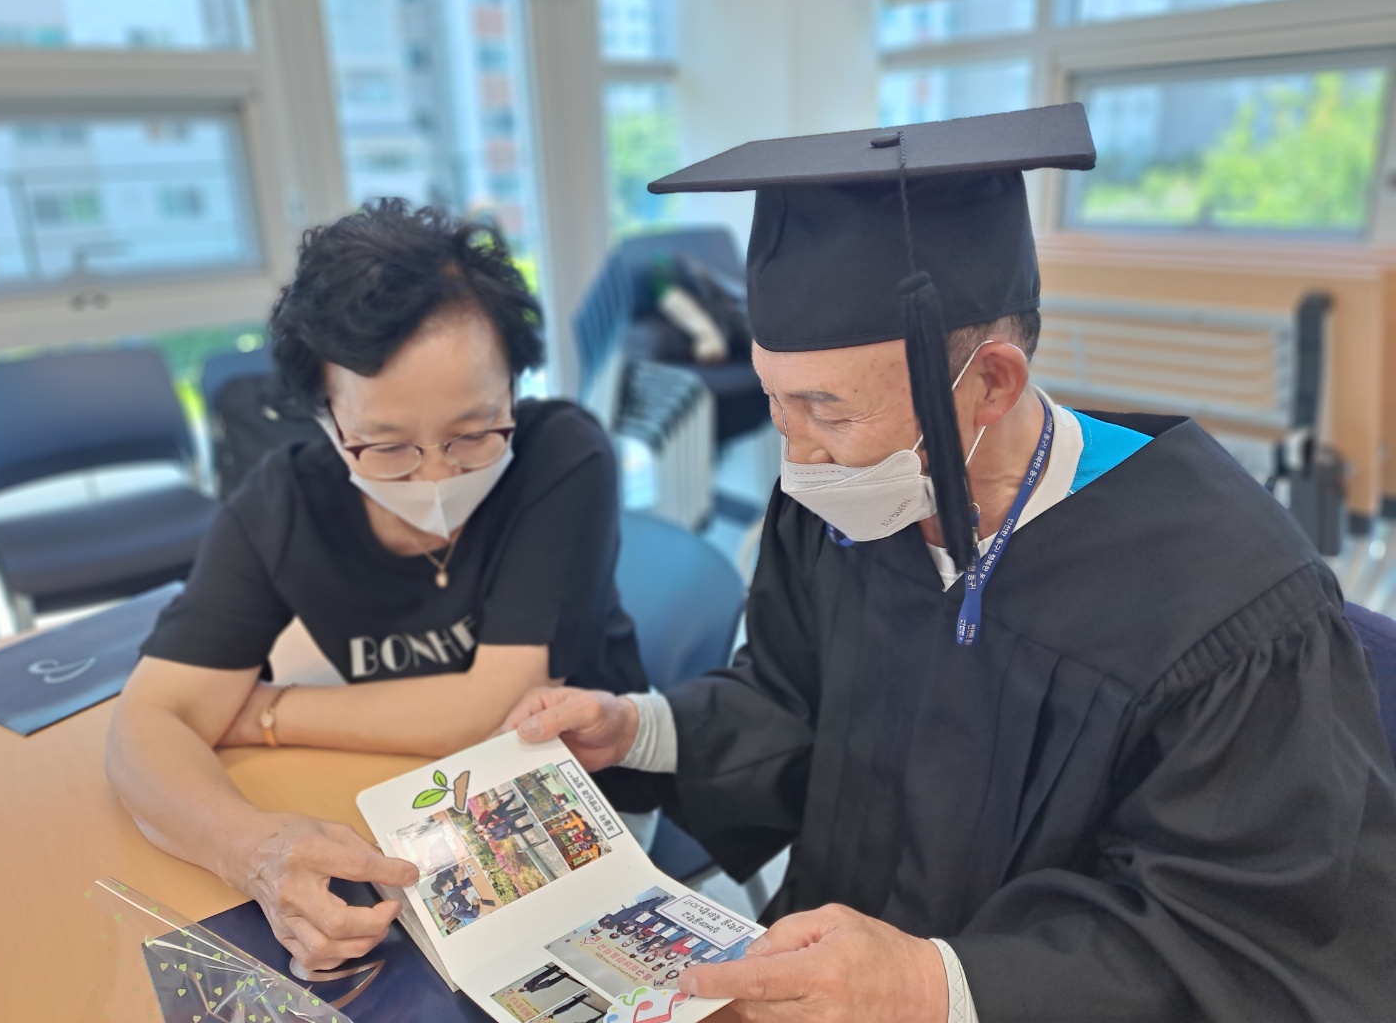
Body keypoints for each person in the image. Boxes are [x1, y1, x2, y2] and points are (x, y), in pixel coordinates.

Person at [505, 105, 1396, 1022]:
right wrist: (636, 728)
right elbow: (788, 702)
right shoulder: (841, 506)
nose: (797, 456)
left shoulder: (1227, 603)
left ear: (993, 384)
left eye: (829, 411)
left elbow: (1248, 943)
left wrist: (935, 986)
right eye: (776, 402)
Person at [107, 199, 647, 975]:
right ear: (326, 418)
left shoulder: (560, 456)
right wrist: (250, 849)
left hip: (581, 797)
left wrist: (264, 712)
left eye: (473, 432)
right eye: (386, 447)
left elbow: (493, 706)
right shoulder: (284, 505)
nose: (435, 475)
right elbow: (146, 724)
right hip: (401, 800)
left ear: (515, 384)